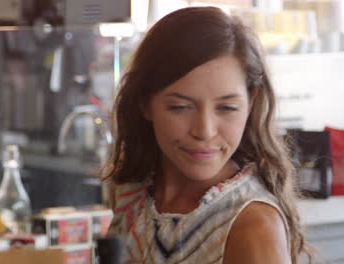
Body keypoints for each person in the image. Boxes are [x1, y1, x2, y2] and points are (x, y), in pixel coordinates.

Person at [102, 6, 308, 264]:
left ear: (250, 104)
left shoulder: (251, 225)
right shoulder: (132, 192)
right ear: (145, 104)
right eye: (180, 107)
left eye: (226, 108)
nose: (204, 131)